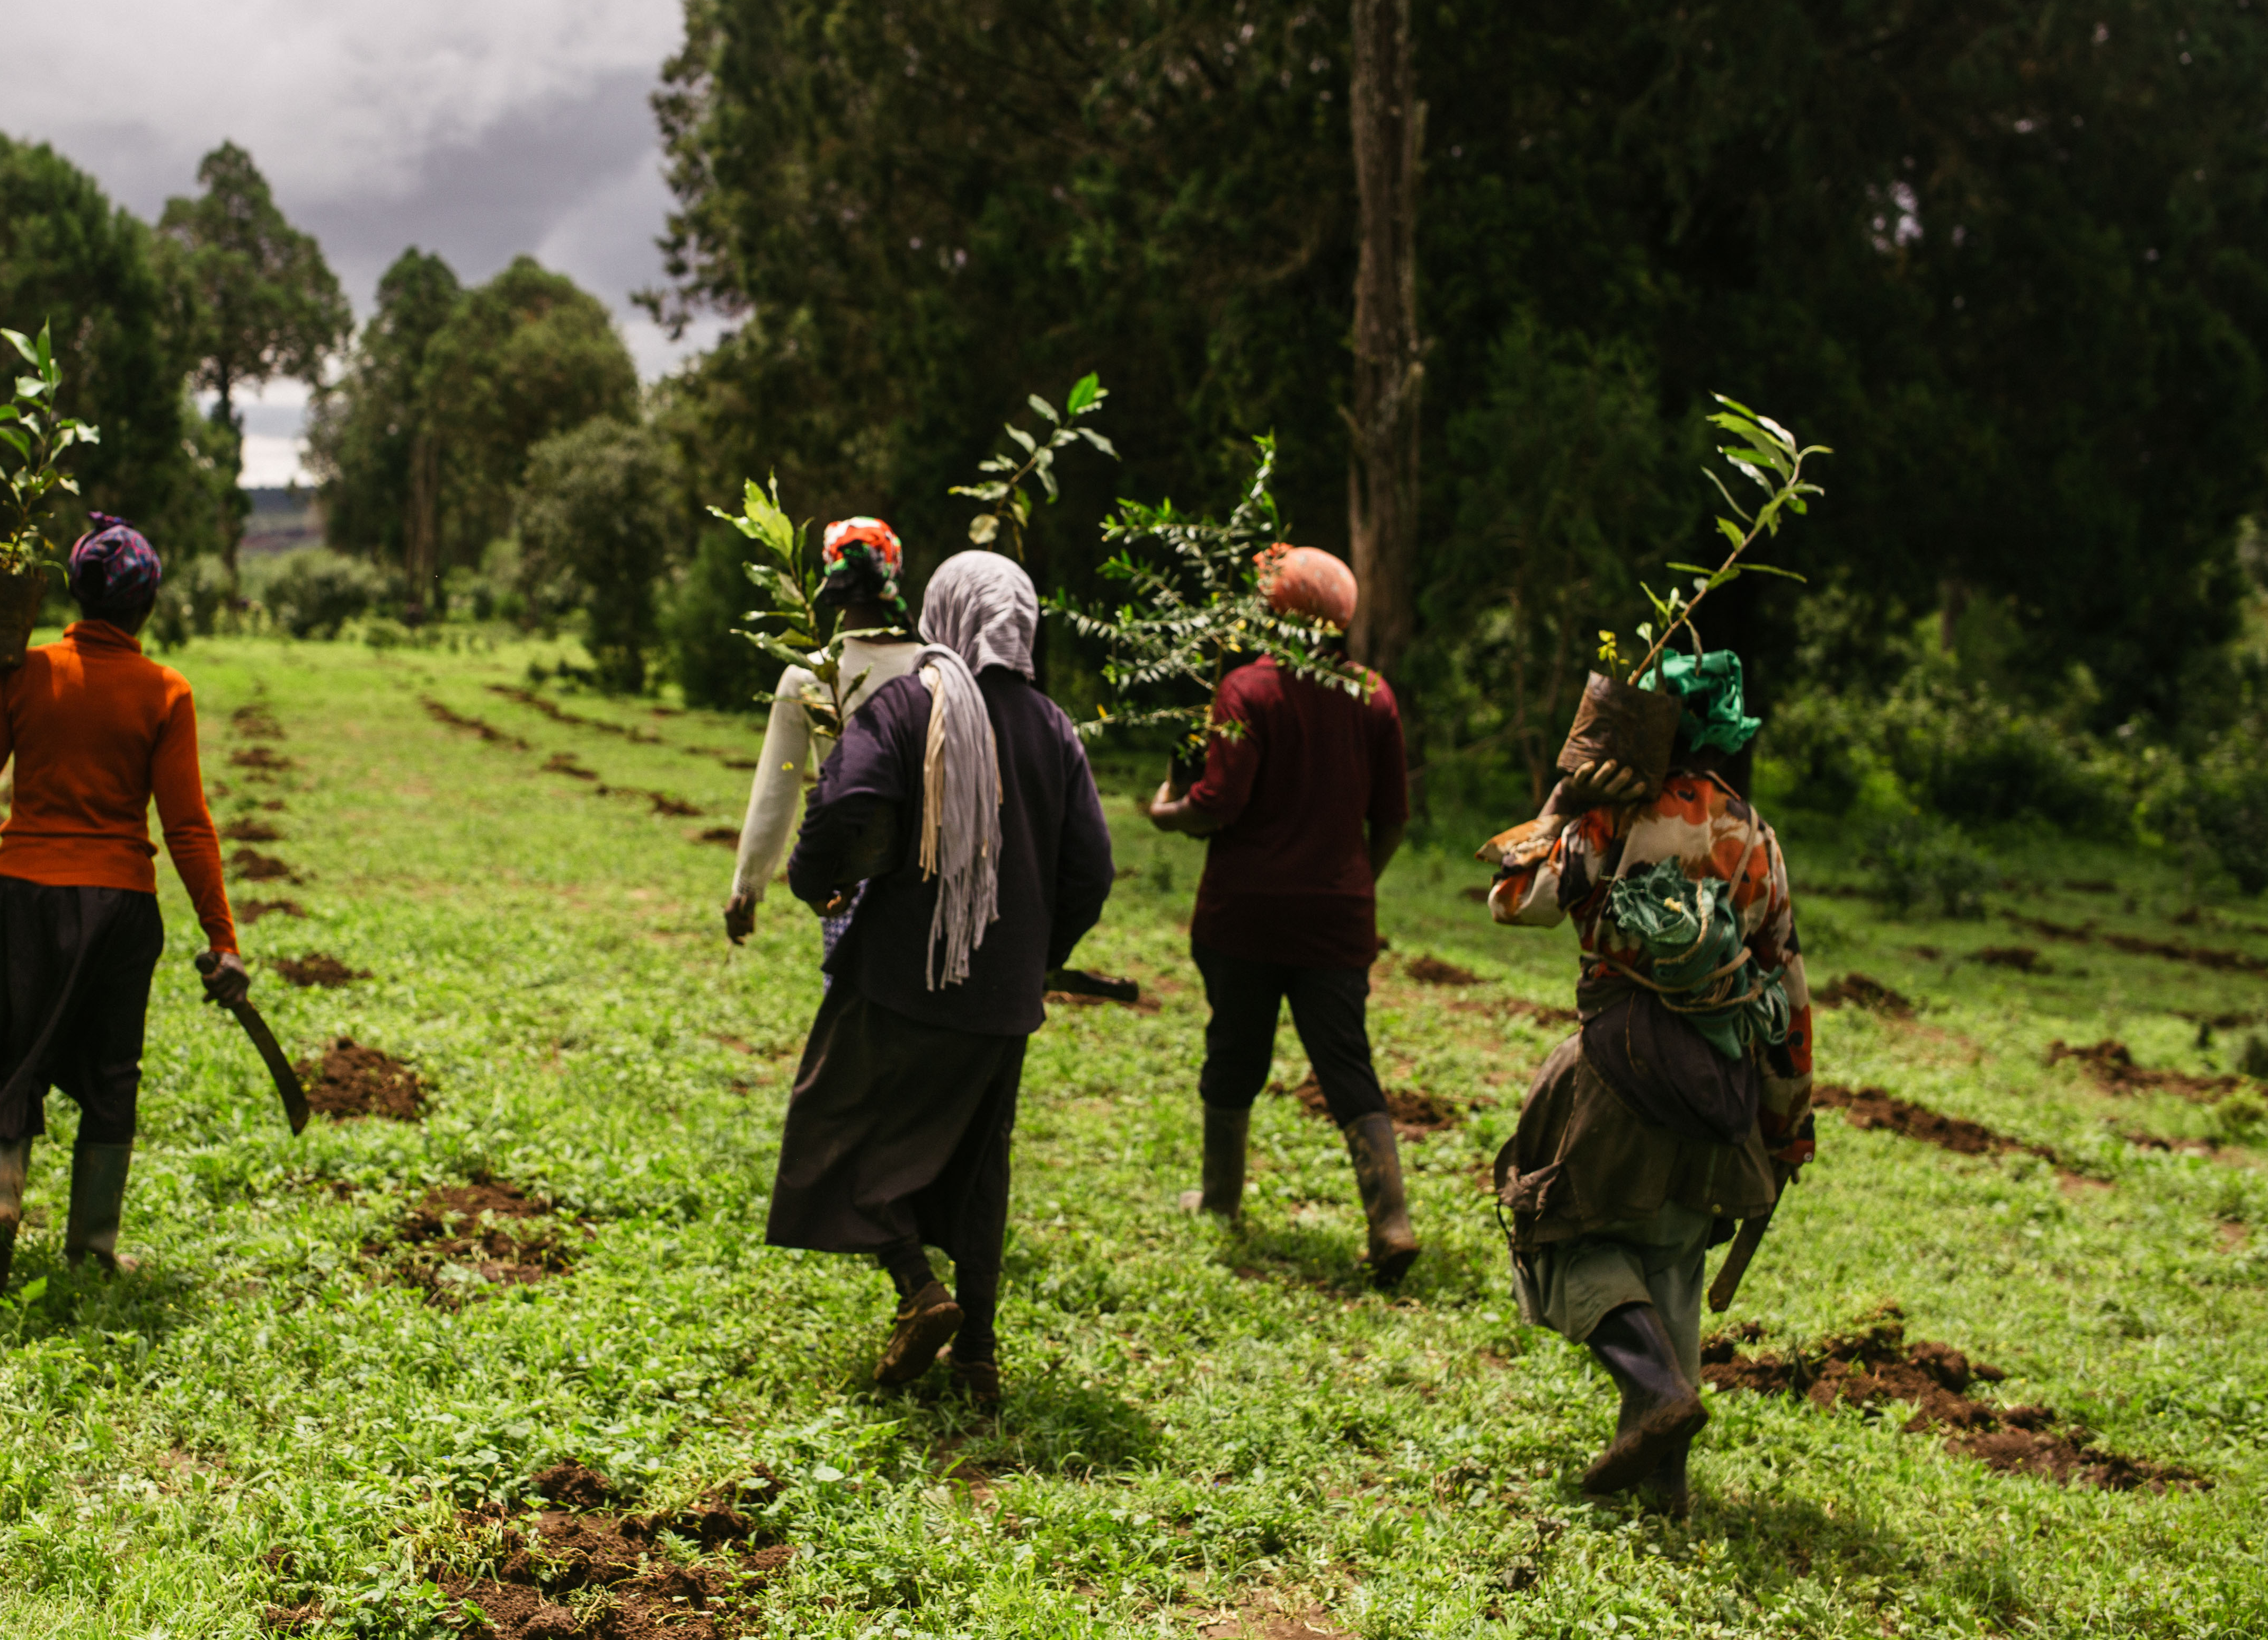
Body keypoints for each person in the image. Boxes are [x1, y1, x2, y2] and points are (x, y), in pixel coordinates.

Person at [765, 550, 1114, 1405]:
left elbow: (843, 802)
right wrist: (1037, 952)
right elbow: (1093, 868)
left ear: (943, 611)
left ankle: (918, 1287)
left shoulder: (911, 699)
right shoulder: (1056, 727)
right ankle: (979, 1358)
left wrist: (816, 882)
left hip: (902, 978)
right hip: (1004, 1003)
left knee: (832, 1119)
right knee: (979, 1162)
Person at [1479, 649, 1817, 1521]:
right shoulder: (1756, 836)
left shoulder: (1612, 820)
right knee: (1670, 1264)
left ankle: (1653, 1388)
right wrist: (1787, 1123)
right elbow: (1786, 984)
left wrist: (1562, 802)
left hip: (1617, 1073)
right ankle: (1664, 1485)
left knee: (1555, 1228)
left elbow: (1512, 898)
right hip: (1721, 1085)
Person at [0, 514, 251, 1307]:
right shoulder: (165, 692)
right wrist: (222, 936)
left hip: (22, 895)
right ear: (147, 608)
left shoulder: (25, 672)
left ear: (75, 594)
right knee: (113, 1075)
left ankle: (1, 1195)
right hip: (121, 908)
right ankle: (92, 1248)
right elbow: (185, 825)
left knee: (11, 1057)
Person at [1145, 543, 1418, 1282]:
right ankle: (1389, 1220)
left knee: (1235, 1049)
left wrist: (1166, 813)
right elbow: (1392, 816)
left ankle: (1221, 1199)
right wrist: (1357, 878)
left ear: (1274, 615)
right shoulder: (1375, 697)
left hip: (1245, 917)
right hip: (1335, 921)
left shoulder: (1247, 691)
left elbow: (1218, 805)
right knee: (1346, 1062)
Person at [722, 517, 923, 951]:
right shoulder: (936, 670)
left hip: (848, 880)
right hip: (931, 872)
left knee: (854, 1007)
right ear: (895, 573)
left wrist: (748, 886)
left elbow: (778, 787)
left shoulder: (808, 680)